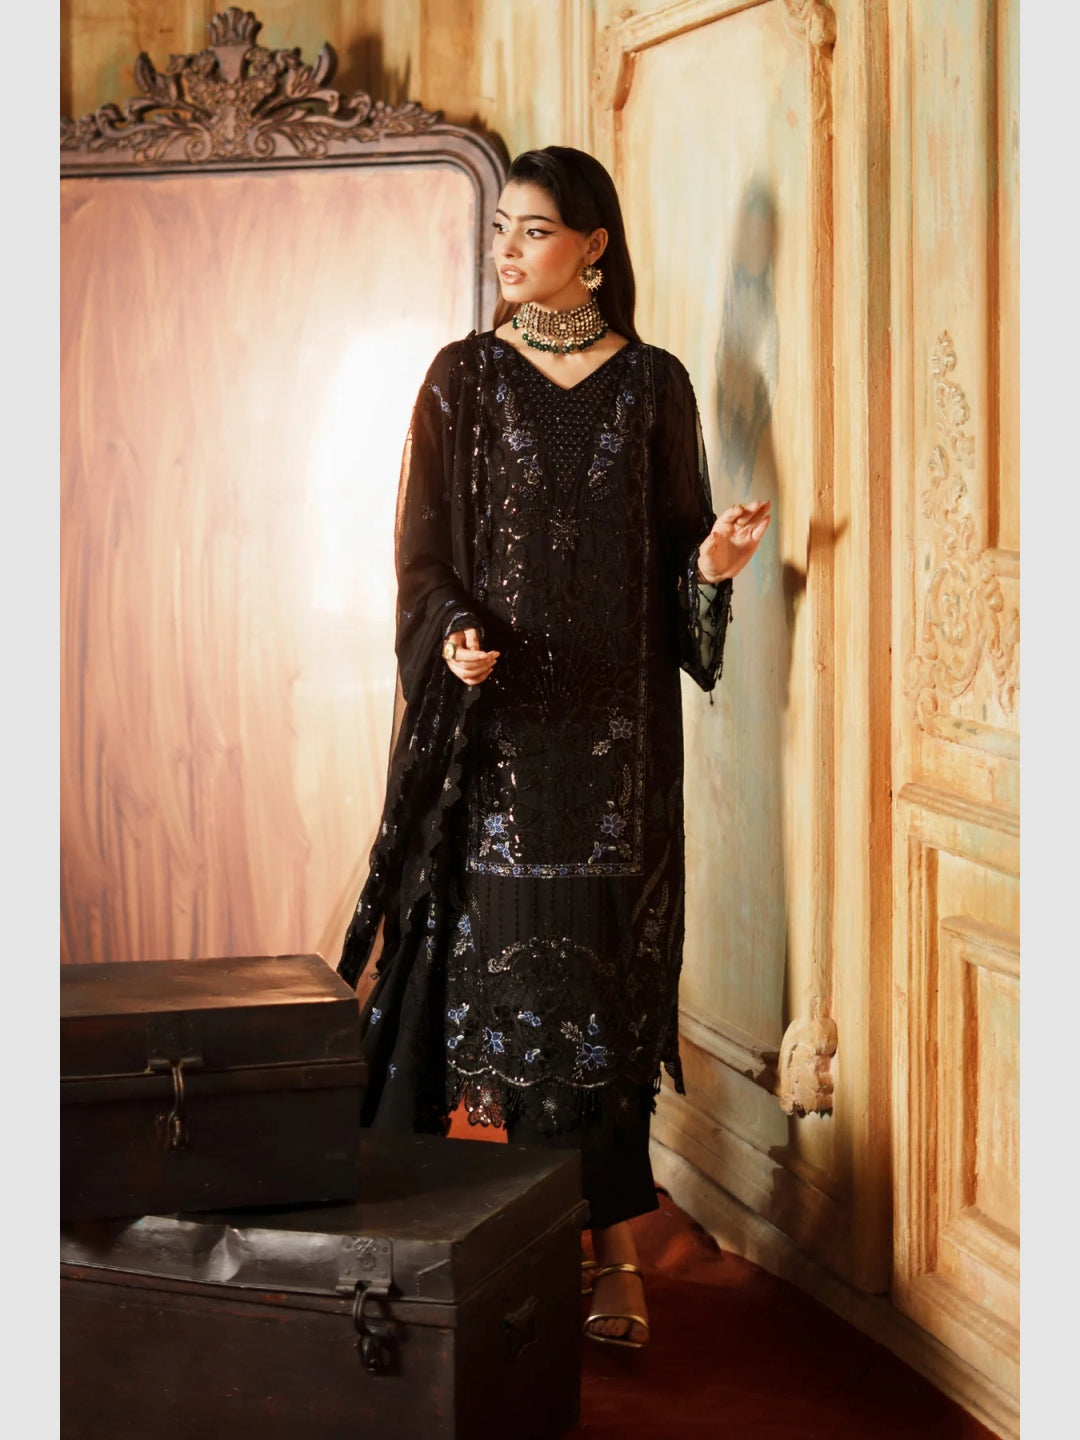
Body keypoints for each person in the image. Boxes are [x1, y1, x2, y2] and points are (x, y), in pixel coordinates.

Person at [338, 145, 771, 1349]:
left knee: (602, 999)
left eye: (532, 231)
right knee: (498, 992)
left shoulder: (656, 387)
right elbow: (422, 559)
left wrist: (714, 566)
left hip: (616, 751)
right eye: (500, 231)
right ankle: (525, 1248)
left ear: (594, 247)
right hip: (500, 748)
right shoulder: (461, 380)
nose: (507, 252)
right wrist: (455, 637)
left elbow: (679, 554)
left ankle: (613, 1249)